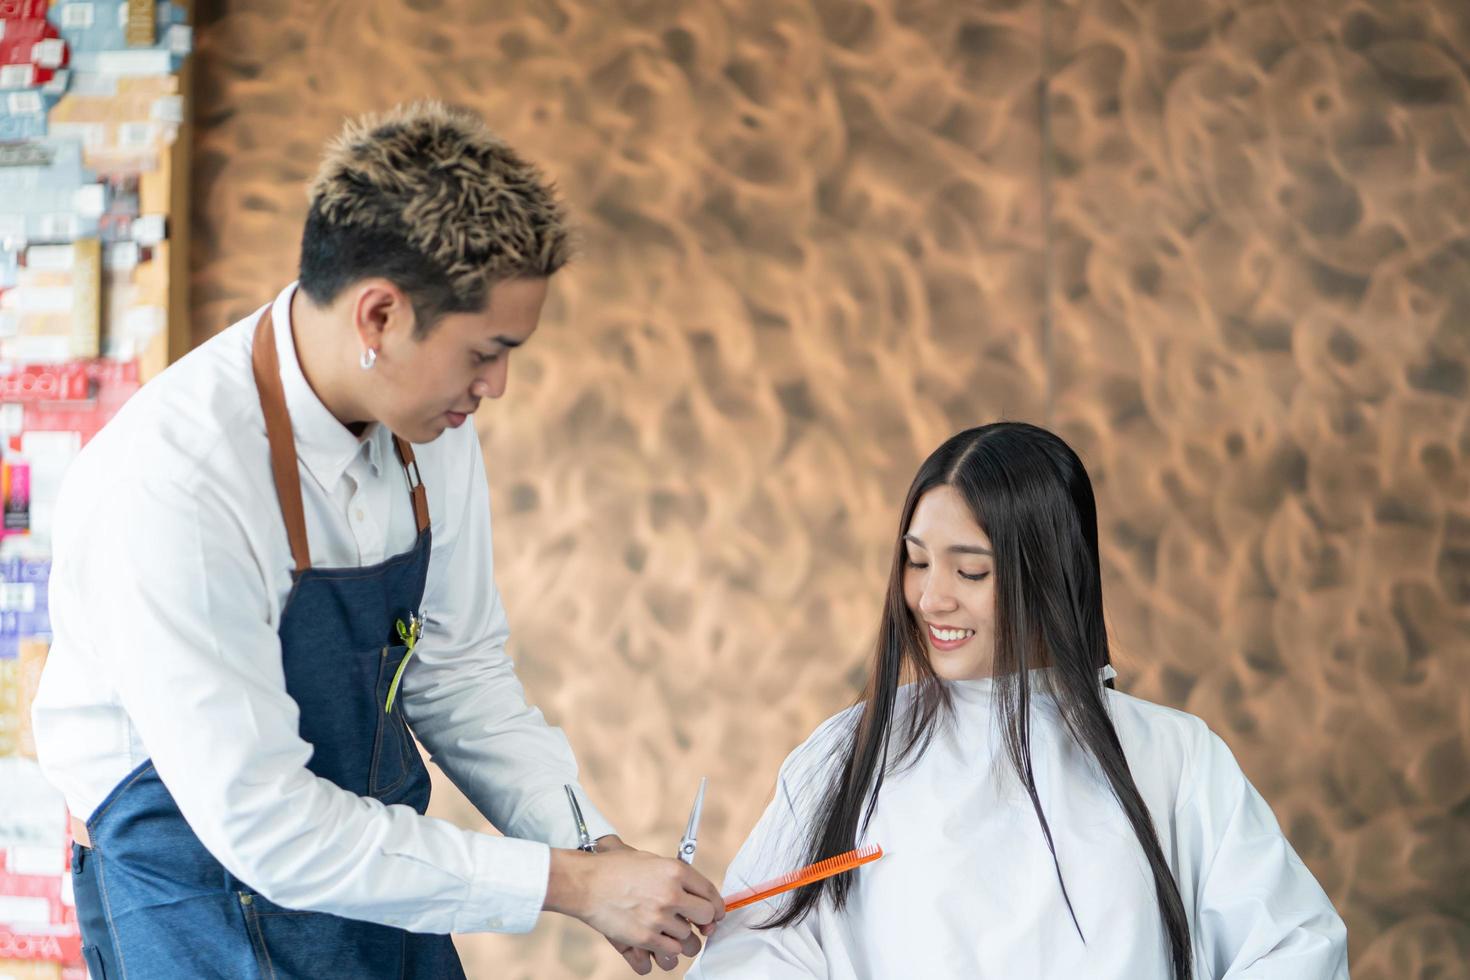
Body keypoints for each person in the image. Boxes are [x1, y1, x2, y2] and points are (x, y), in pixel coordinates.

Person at [32, 100, 721, 979]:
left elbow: (458, 670)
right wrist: (573, 887)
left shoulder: (431, 427)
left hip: (378, 867)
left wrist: (594, 851)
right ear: (380, 317)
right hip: (201, 894)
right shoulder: (177, 484)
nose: (497, 385)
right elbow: (267, 826)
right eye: (485, 352)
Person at [690, 422, 1348, 978]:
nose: (931, 597)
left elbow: (1293, 949)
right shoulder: (848, 752)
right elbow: (753, 952)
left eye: (970, 570)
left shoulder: (1173, 758)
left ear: (1049, 571)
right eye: (917, 562)